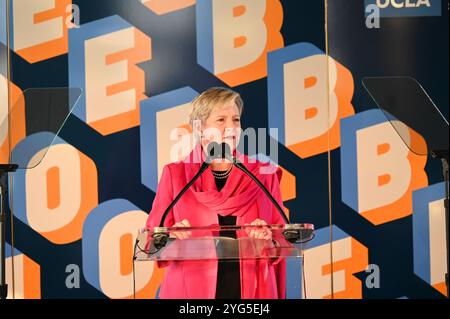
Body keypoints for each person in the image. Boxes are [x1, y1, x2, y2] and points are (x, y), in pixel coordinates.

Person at [145, 87, 286, 299]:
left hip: (252, 290)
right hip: (191, 292)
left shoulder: (263, 174)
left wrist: (268, 237)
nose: (231, 127)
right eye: (221, 120)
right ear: (200, 128)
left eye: (236, 120)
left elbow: (282, 237)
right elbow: (150, 241)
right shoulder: (176, 175)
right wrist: (169, 236)